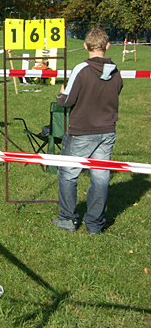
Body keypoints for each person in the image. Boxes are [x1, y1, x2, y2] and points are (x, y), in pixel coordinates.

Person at [52, 28, 123, 235]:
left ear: (85, 46)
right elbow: (117, 90)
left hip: (81, 131)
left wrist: (61, 94)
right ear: (107, 46)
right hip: (107, 131)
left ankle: (67, 219)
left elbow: (67, 100)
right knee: (100, 177)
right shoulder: (116, 71)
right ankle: (94, 224)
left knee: (68, 174)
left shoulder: (81, 69)